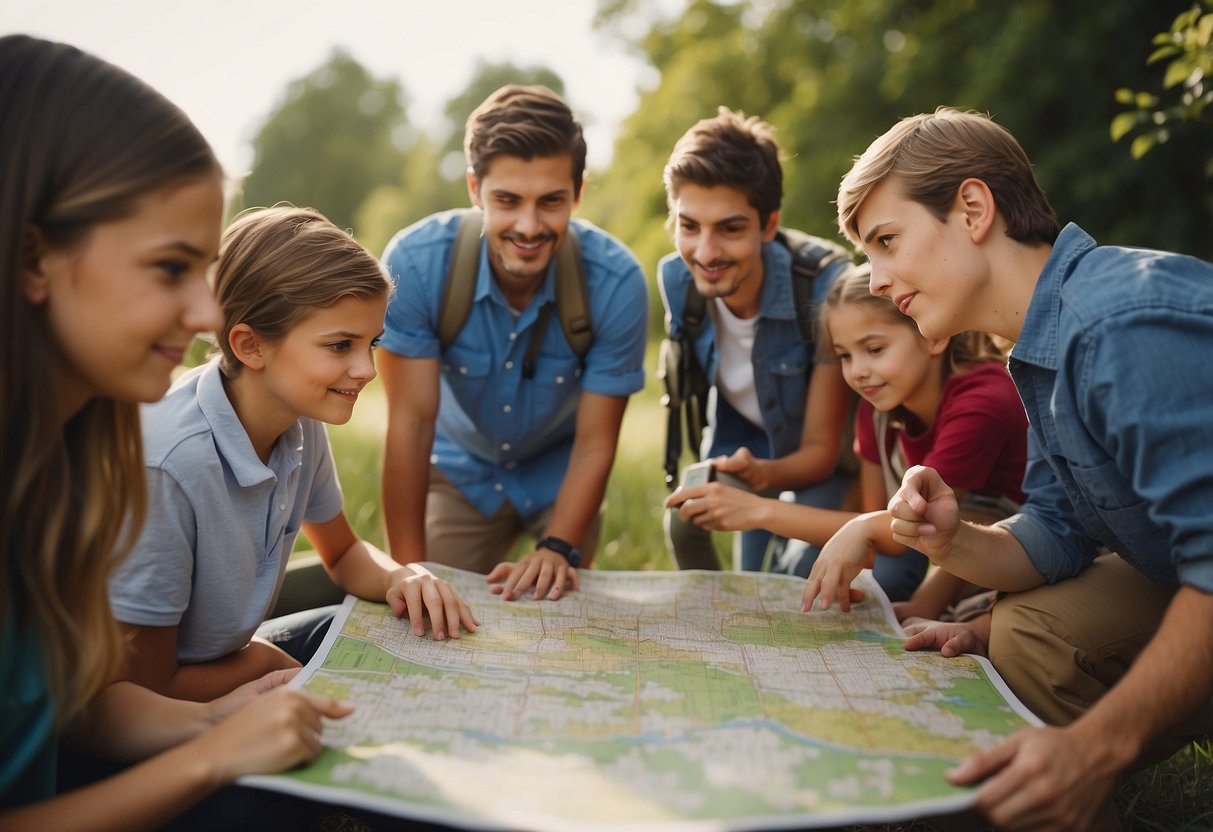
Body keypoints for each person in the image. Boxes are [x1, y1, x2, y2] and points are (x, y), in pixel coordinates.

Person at [1, 35, 353, 829]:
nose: (205, 316)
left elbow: (86, 702)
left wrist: (213, 720)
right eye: (169, 270)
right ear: (33, 260)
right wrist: (211, 752)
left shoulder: (80, 454)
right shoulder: (164, 456)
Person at [835, 106, 1213, 831]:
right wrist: (949, 541)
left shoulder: (1116, 325)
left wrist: (1093, 746)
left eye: (886, 241)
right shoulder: (1037, 346)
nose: (875, 279)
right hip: (1173, 575)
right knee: (1024, 629)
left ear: (973, 209)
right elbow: (1057, 532)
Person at [108, 206, 479, 703]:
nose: (366, 369)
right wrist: (265, 661)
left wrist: (402, 575)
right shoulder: (171, 467)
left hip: (226, 659)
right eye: (340, 345)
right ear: (250, 345)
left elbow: (343, 555)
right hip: (158, 706)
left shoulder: (297, 419)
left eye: (372, 343)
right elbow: (144, 688)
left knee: (411, 634)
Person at [378, 85, 648, 602]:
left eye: (551, 201)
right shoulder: (414, 263)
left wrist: (559, 547)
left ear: (579, 192)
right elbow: (410, 427)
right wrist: (408, 572)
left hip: (561, 475)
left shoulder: (616, 281)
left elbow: (595, 443)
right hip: (461, 472)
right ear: (475, 188)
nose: (529, 226)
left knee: (563, 613)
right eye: (507, 201)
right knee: (430, 611)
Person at [671, 264, 1027, 610]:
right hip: (946, 537)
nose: (858, 372)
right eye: (844, 355)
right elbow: (874, 518)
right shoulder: (879, 404)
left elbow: (916, 528)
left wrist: (759, 511)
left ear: (932, 335)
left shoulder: (982, 404)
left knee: (882, 584)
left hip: (1016, 547)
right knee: (822, 574)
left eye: (874, 349)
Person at [657, 107, 856, 579]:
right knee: (686, 525)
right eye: (689, 226)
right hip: (745, 450)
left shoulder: (827, 288)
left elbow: (821, 451)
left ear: (768, 225)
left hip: (828, 467)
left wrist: (761, 480)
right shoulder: (677, 280)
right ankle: (708, 620)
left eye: (729, 229)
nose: (705, 254)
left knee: (793, 582)